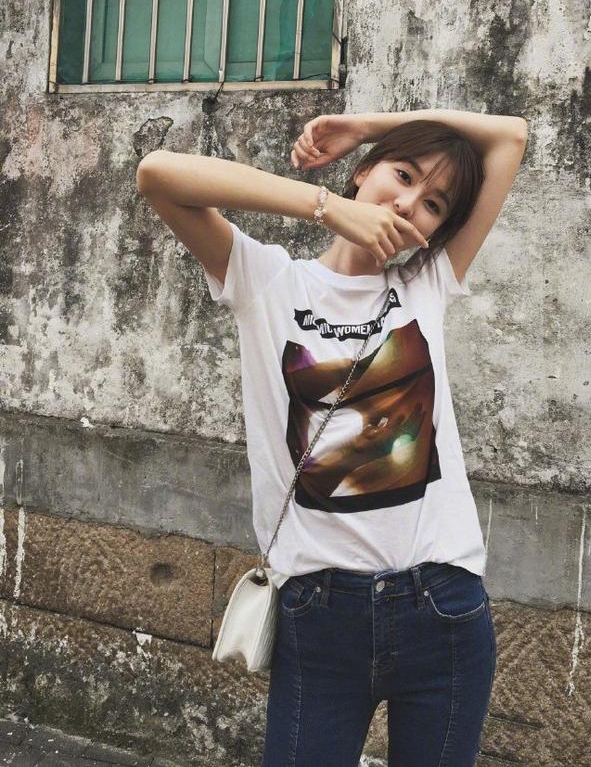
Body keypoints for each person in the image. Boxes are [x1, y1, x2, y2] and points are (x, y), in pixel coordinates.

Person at [136, 108, 528, 766]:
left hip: (442, 609)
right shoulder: (267, 281)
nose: (409, 203)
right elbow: (157, 174)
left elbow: (509, 136)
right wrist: (326, 207)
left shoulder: (426, 285)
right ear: (361, 174)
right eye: (402, 175)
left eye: (434, 204)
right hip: (321, 615)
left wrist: (368, 124)